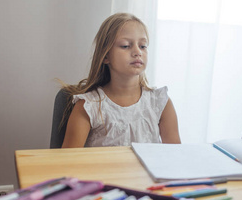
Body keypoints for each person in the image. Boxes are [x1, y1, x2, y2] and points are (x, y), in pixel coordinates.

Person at [61, 13, 181, 147]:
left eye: (143, 46)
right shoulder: (88, 106)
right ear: (106, 56)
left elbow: (174, 157)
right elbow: (68, 161)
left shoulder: (160, 102)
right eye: (125, 46)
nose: (137, 52)